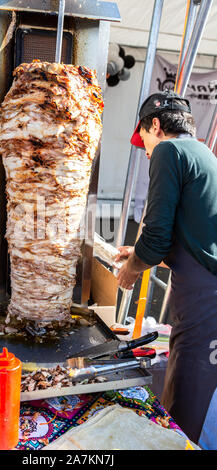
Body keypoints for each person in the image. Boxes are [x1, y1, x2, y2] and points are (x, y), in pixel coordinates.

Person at [114, 90, 217, 446]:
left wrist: (131, 270)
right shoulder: (203, 151)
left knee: (189, 395)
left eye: (143, 139)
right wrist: (141, 254)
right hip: (203, 284)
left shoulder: (169, 151)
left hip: (206, 294)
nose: (145, 150)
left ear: (155, 125)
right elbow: (190, 229)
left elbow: (157, 233)